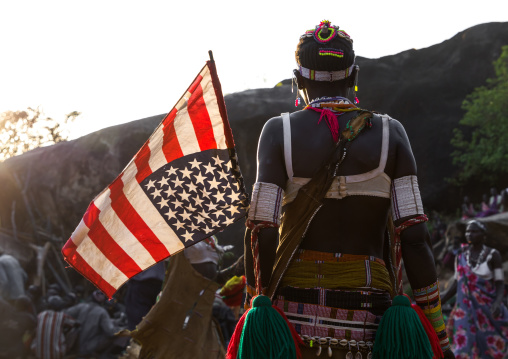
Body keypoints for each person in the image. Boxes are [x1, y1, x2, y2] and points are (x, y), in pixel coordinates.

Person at [243, 21, 454, 358]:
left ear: (297, 80)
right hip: (373, 319)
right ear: (354, 75)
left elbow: (262, 232)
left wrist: (255, 305)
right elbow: (414, 237)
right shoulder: (391, 134)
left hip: (295, 323)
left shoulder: (277, 133)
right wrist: (438, 334)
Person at [442, 220, 508, 358]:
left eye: (474, 231)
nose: (469, 234)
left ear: (483, 234)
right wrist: (441, 300)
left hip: (487, 309)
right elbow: (456, 283)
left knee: (492, 347)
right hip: (464, 310)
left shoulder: (493, 254)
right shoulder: (460, 255)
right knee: (464, 346)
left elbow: (500, 283)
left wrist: (497, 303)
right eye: (467, 231)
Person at [65, 290, 120, 358]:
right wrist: (120, 329)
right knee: (116, 334)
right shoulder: (102, 312)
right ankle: (102, 355)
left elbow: (65, 315)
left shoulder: (81, 306)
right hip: (89, 347)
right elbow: (110, 332)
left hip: (73, 344)